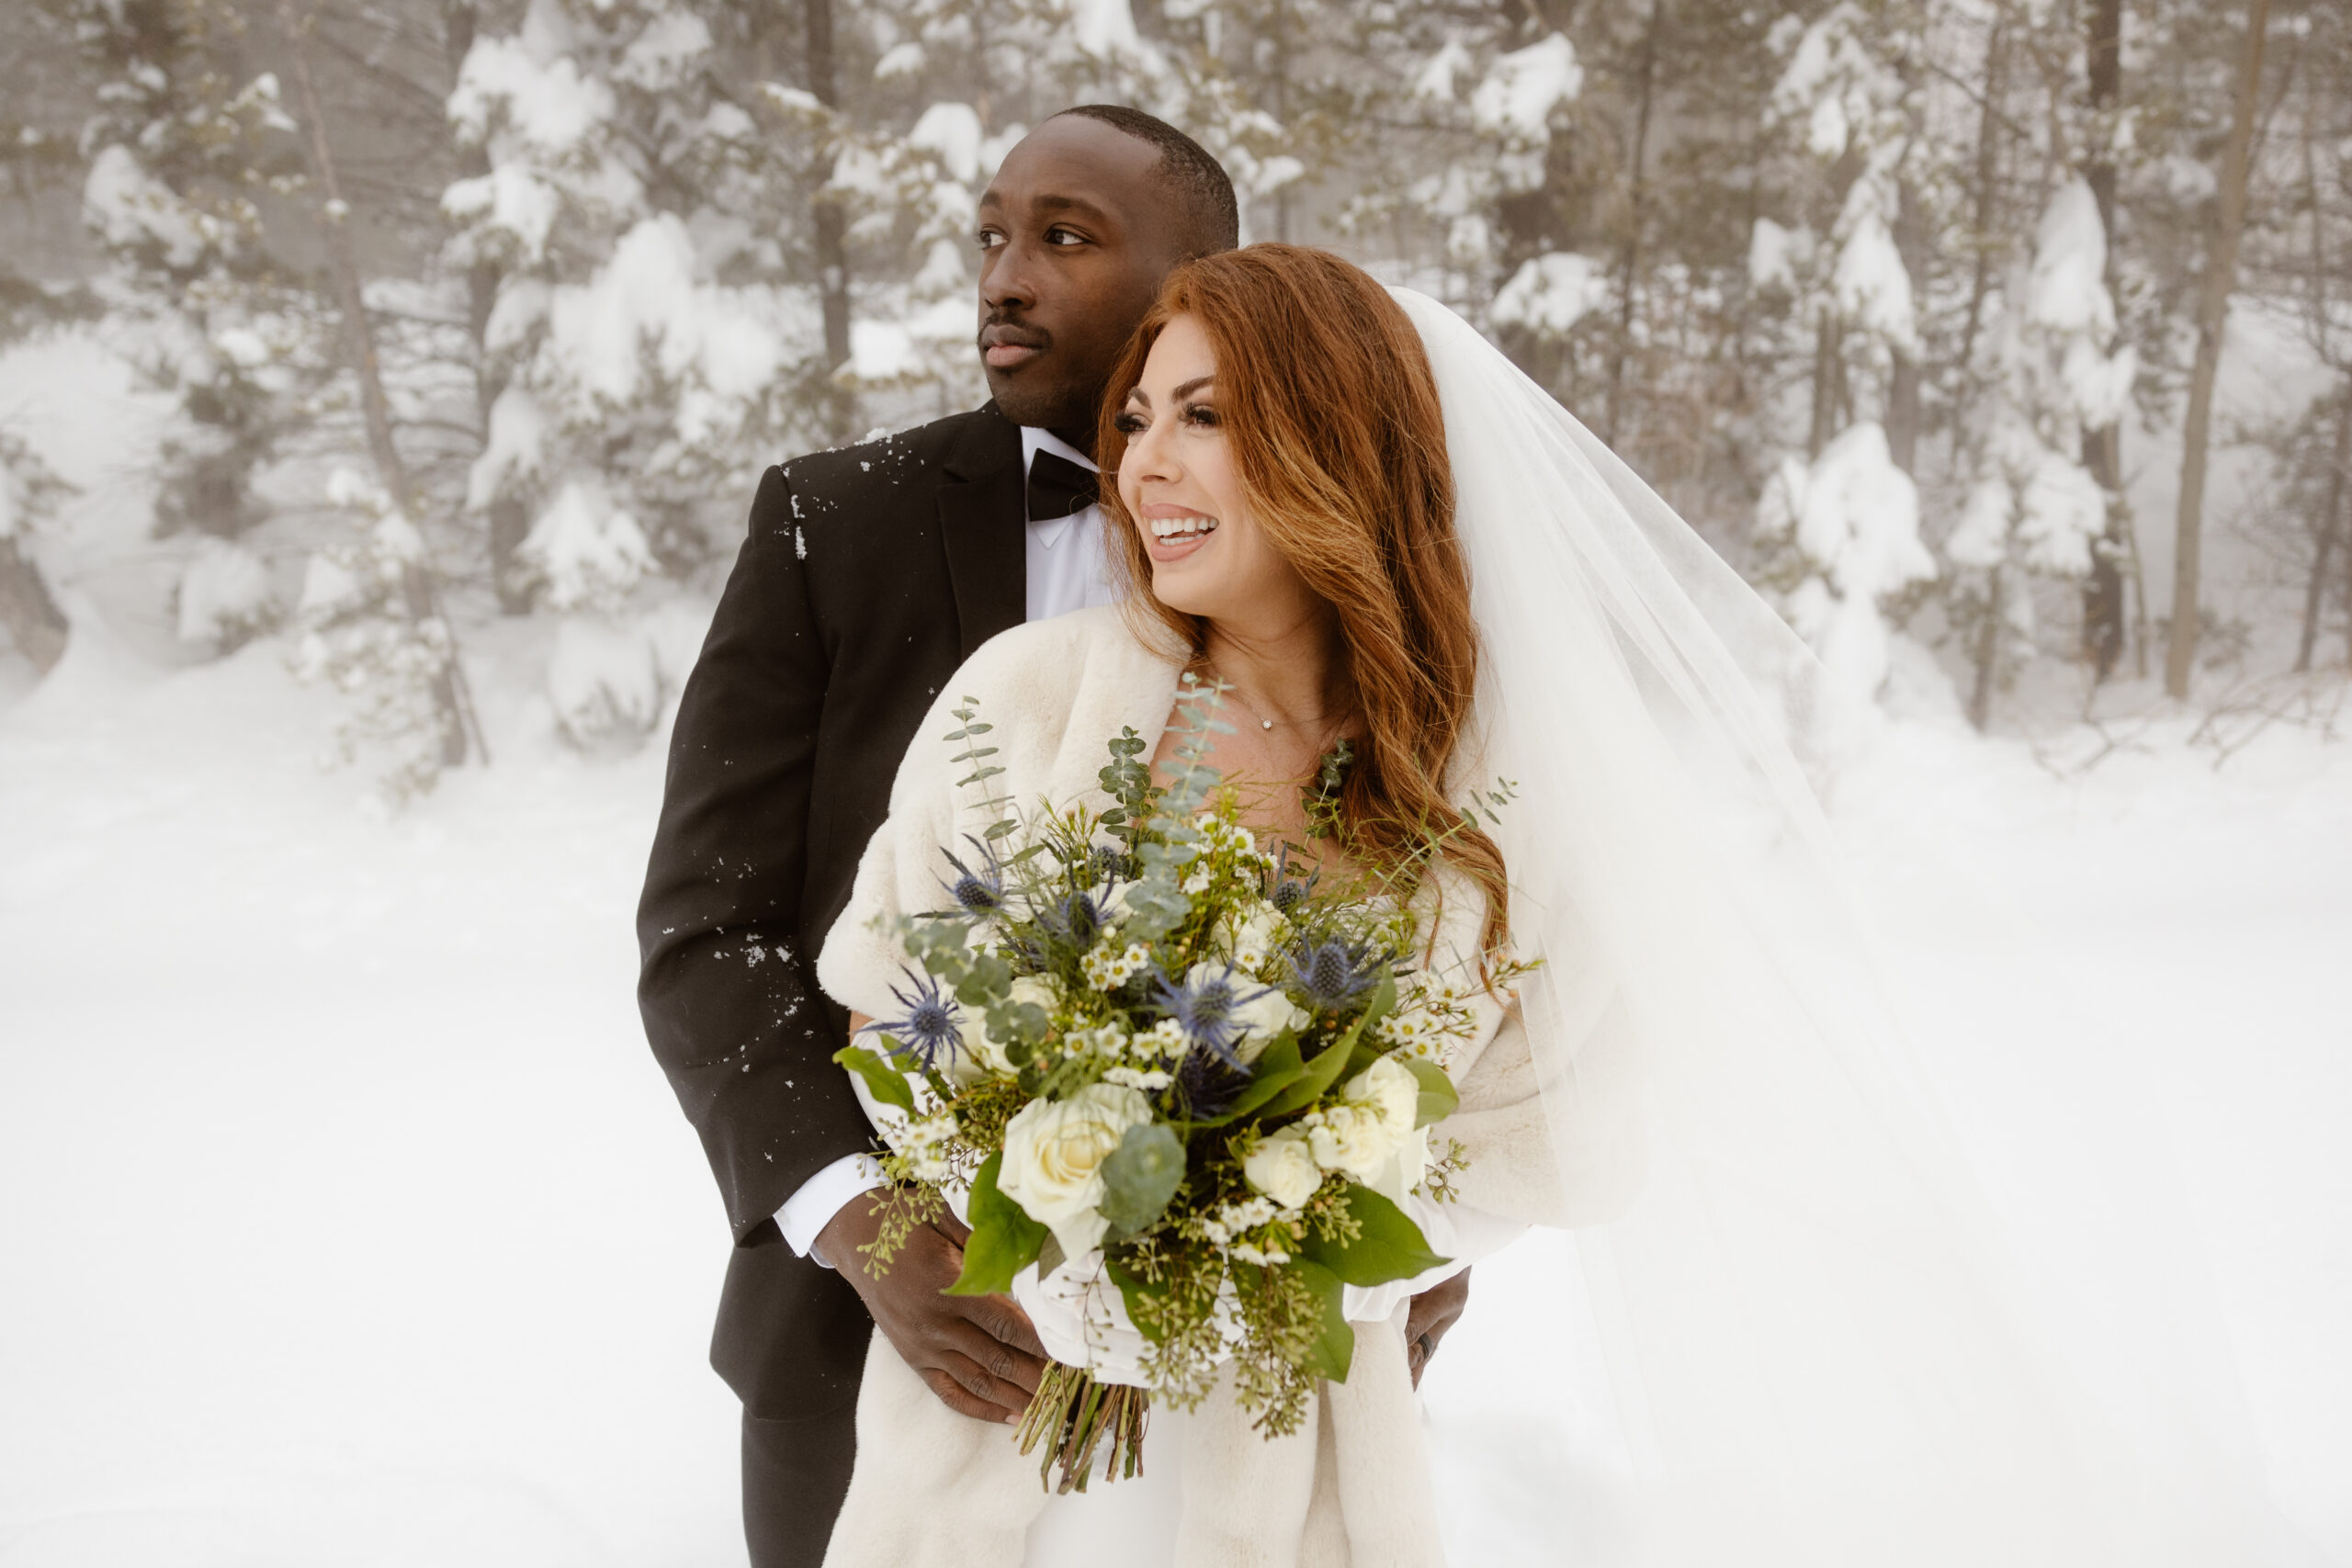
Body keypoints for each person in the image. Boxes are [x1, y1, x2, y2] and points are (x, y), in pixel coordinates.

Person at [811, 243, 2312, 1567]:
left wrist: (1292, 1224)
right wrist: (1081, 1243)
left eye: (1205, 415)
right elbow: (893, 1003)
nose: (1144, 463)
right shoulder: (1027, 702)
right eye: (1138, 417)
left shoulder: (1495, 786)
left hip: (1302, 1446)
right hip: (1013, 1429)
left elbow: (1560, 1116)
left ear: (1339, 443)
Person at [637, 113, 1469, 1568]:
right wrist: (869, 1229)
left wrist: (1407, 1217)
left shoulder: (1358, 661)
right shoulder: (835, 521)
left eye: (1065, 238)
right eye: (992, 236)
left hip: (1247, 1400)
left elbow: (1456, 981)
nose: (1004, 279)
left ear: (1202, 283)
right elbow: (710, 933)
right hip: (875, 1336)